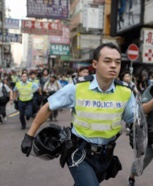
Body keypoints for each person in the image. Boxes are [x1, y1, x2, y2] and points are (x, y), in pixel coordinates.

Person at [20, 43, 136, 186]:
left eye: (117, 62)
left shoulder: (126, 92)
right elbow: (48, 107)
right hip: (79, 153)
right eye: (107, 61)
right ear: (95, 64)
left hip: (105, 156)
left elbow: (133, 118)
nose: (113, 65)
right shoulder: (77, 88)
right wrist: (29, 136)